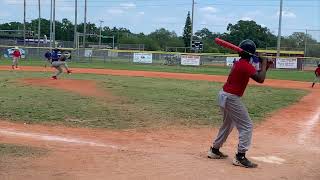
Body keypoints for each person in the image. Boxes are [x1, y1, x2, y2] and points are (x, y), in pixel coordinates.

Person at [207, 39, 272, 168]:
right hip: (230, 97)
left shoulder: (241, 63)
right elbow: (260, 79)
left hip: (224, 95)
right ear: (251, 53)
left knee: (228, 124)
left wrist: (265, 65)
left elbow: (258, 73)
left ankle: (214, 150)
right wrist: (264, 62)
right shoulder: (245, 65)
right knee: (247, 126)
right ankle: (240, 157)